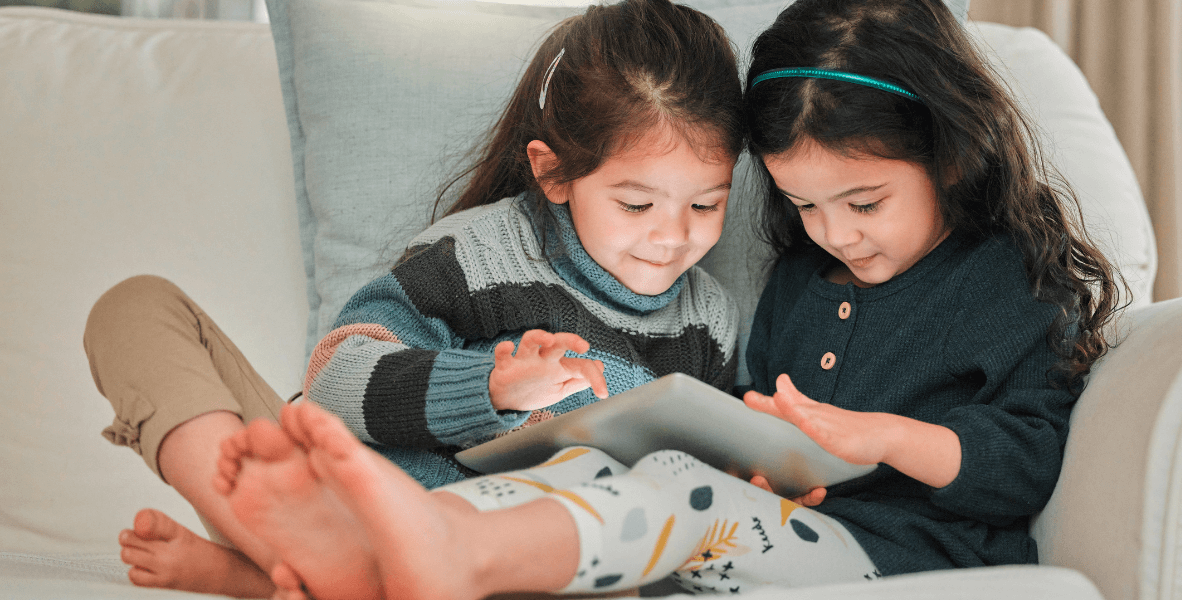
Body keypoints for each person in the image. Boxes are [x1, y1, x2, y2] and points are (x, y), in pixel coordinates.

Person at [210, 0, 1127, 597]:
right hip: (762, 537)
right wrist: (761, 458)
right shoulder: (803, 281)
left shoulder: (1010, 283)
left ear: (948, 151)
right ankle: (392, 552)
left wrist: (881, 437)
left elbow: (1029, 460)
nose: (835, 233)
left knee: (676, 494)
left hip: (897, 561)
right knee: (612, 480)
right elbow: (751, 420)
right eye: (802, 205)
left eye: (865, 203)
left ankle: (442, 553)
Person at [82, 0, 743, 596]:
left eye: (707, 204)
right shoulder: (479, 256)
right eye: (635, 204)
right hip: (343, 495)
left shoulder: (709, 318)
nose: (672, 236)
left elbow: (685, 486)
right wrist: (492, 388)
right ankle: (292, 553)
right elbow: (335, 386)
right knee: (135, 308)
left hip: (507, 552)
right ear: (554, 173)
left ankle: (284, 576)